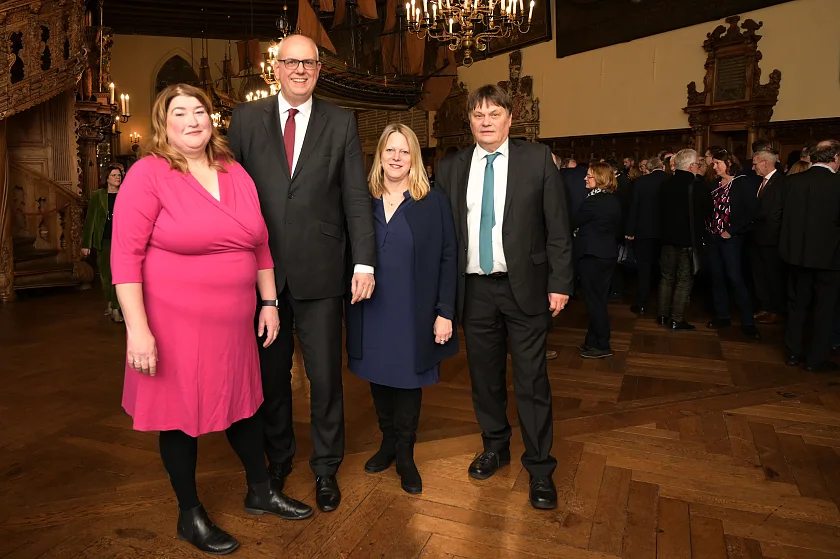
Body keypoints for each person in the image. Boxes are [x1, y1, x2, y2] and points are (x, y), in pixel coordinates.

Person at [111, 84, 311, 556]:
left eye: (199, 110)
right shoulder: (148, 174)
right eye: (179, 113)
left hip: (234, 324)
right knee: (179, 416)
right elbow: (125, 257)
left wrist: (269, 302)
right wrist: (138, 330)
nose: (192, 120)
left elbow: (260, 244)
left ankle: (260, 491)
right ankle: (190, 514)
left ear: (211, 119)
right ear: (164, 124)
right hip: (173, 324)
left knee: (243, 405)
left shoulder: (234, 171)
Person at [227, 34, 376, 513]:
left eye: (308, 63)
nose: (299, 70)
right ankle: (278, 459)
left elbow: (355, 196)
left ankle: (326, 468)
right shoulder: (245, 119)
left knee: (325, 379)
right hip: (262, 275)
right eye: (291, 62)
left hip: (322, 271)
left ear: (318, 70)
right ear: (276, 68)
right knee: (271, 379)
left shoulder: (341, 121)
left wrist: (364, 260)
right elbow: (228, 194)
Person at [436, 84, 573, 510]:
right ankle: (495, 446)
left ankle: (540, 467)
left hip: (525, 287)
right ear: (470, 121)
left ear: (510, 119)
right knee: (484, 378)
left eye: (494, 114)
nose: (486, 122)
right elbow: (444, 236)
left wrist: (560, 282)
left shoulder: (537, 159)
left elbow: (558, 227)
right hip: (474, 290)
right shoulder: (452, 167)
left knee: (531, 379)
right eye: (478, 115)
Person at [345, 124, 458, 495]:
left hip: (414, 312)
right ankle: (388, 442)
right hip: (371, 308)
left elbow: (448, 258)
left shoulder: (433, 202)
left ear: (415, 158)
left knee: (409, 380)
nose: (396, 157)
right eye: (390, 150)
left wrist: (445, 311)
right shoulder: (363, 200)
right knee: (378, 375)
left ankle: (406, 454)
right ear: (379, 155)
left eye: (404, 151)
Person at [779, 139, 840, 372]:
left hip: (795, 256)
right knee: (825, 309)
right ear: (835, 158)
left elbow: (779, 218)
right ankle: (816, 359)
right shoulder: (837, 183)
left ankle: (793, 353)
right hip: (830, 259)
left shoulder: (791, 182)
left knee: (796, 306)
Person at [705, 150, 760, 339]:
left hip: (731, 240)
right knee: (717, 277)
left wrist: (731, 231)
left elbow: (751, 213)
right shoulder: (715, 184)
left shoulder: (742, 183)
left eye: (717, 163)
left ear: (729, 163)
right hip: (713, 238)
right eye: (713, 163)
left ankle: (748, 322)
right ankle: (722, 316)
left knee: (735, 278)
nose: (714, 167)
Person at [658, 149, 711, 331]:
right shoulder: (697, 185)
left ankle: (662, 315)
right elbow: (708, 210)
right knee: (684, 279)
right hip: (688, 239)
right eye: (697, 164)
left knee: (666, 277)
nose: (698, 167)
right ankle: (676, 319)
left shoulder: (666, 183)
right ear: (691, 166)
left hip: (666, 238)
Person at [575, 162, 622, 358]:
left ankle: (602, 344)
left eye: (589, 176)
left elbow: (574, 221)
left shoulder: (593, 201)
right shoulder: (612, 200)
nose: (585, 178)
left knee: (594, 302)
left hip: (593, 256)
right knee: (598, 299)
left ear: (600, 178)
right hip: (607, 254)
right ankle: (592, 341)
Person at [82, 162, 125, 323]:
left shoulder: (126, 193)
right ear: (107, 178)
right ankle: (111, 301)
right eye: (114, 175)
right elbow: (90, 221)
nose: (117, 178)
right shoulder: (98, 195)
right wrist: (86, 244)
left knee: (119, 275)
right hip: (104, 240)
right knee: (106, 275)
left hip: (122, 241)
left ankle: (115, 308)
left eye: (119, 175)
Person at [625, 156, 669, 315]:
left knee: (644, 269)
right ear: (662, 167)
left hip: (644, 232)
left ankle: (642, 303)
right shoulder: (669, 180)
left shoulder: (641, 182)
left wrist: (630, 231)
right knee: (665, 270)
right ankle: (663, 305)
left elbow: (634, 207)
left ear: (648, 168)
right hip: (665, 232)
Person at [749, 149, 787, 325]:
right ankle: (765, 307)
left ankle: (775, 310)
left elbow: (775, 212)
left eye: (755, 164)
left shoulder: (781, 182)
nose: (753, 167)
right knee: (760, 276)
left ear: (765, 163)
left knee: (773, 276)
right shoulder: (761, 182)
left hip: (771, 240)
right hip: (757, 238)